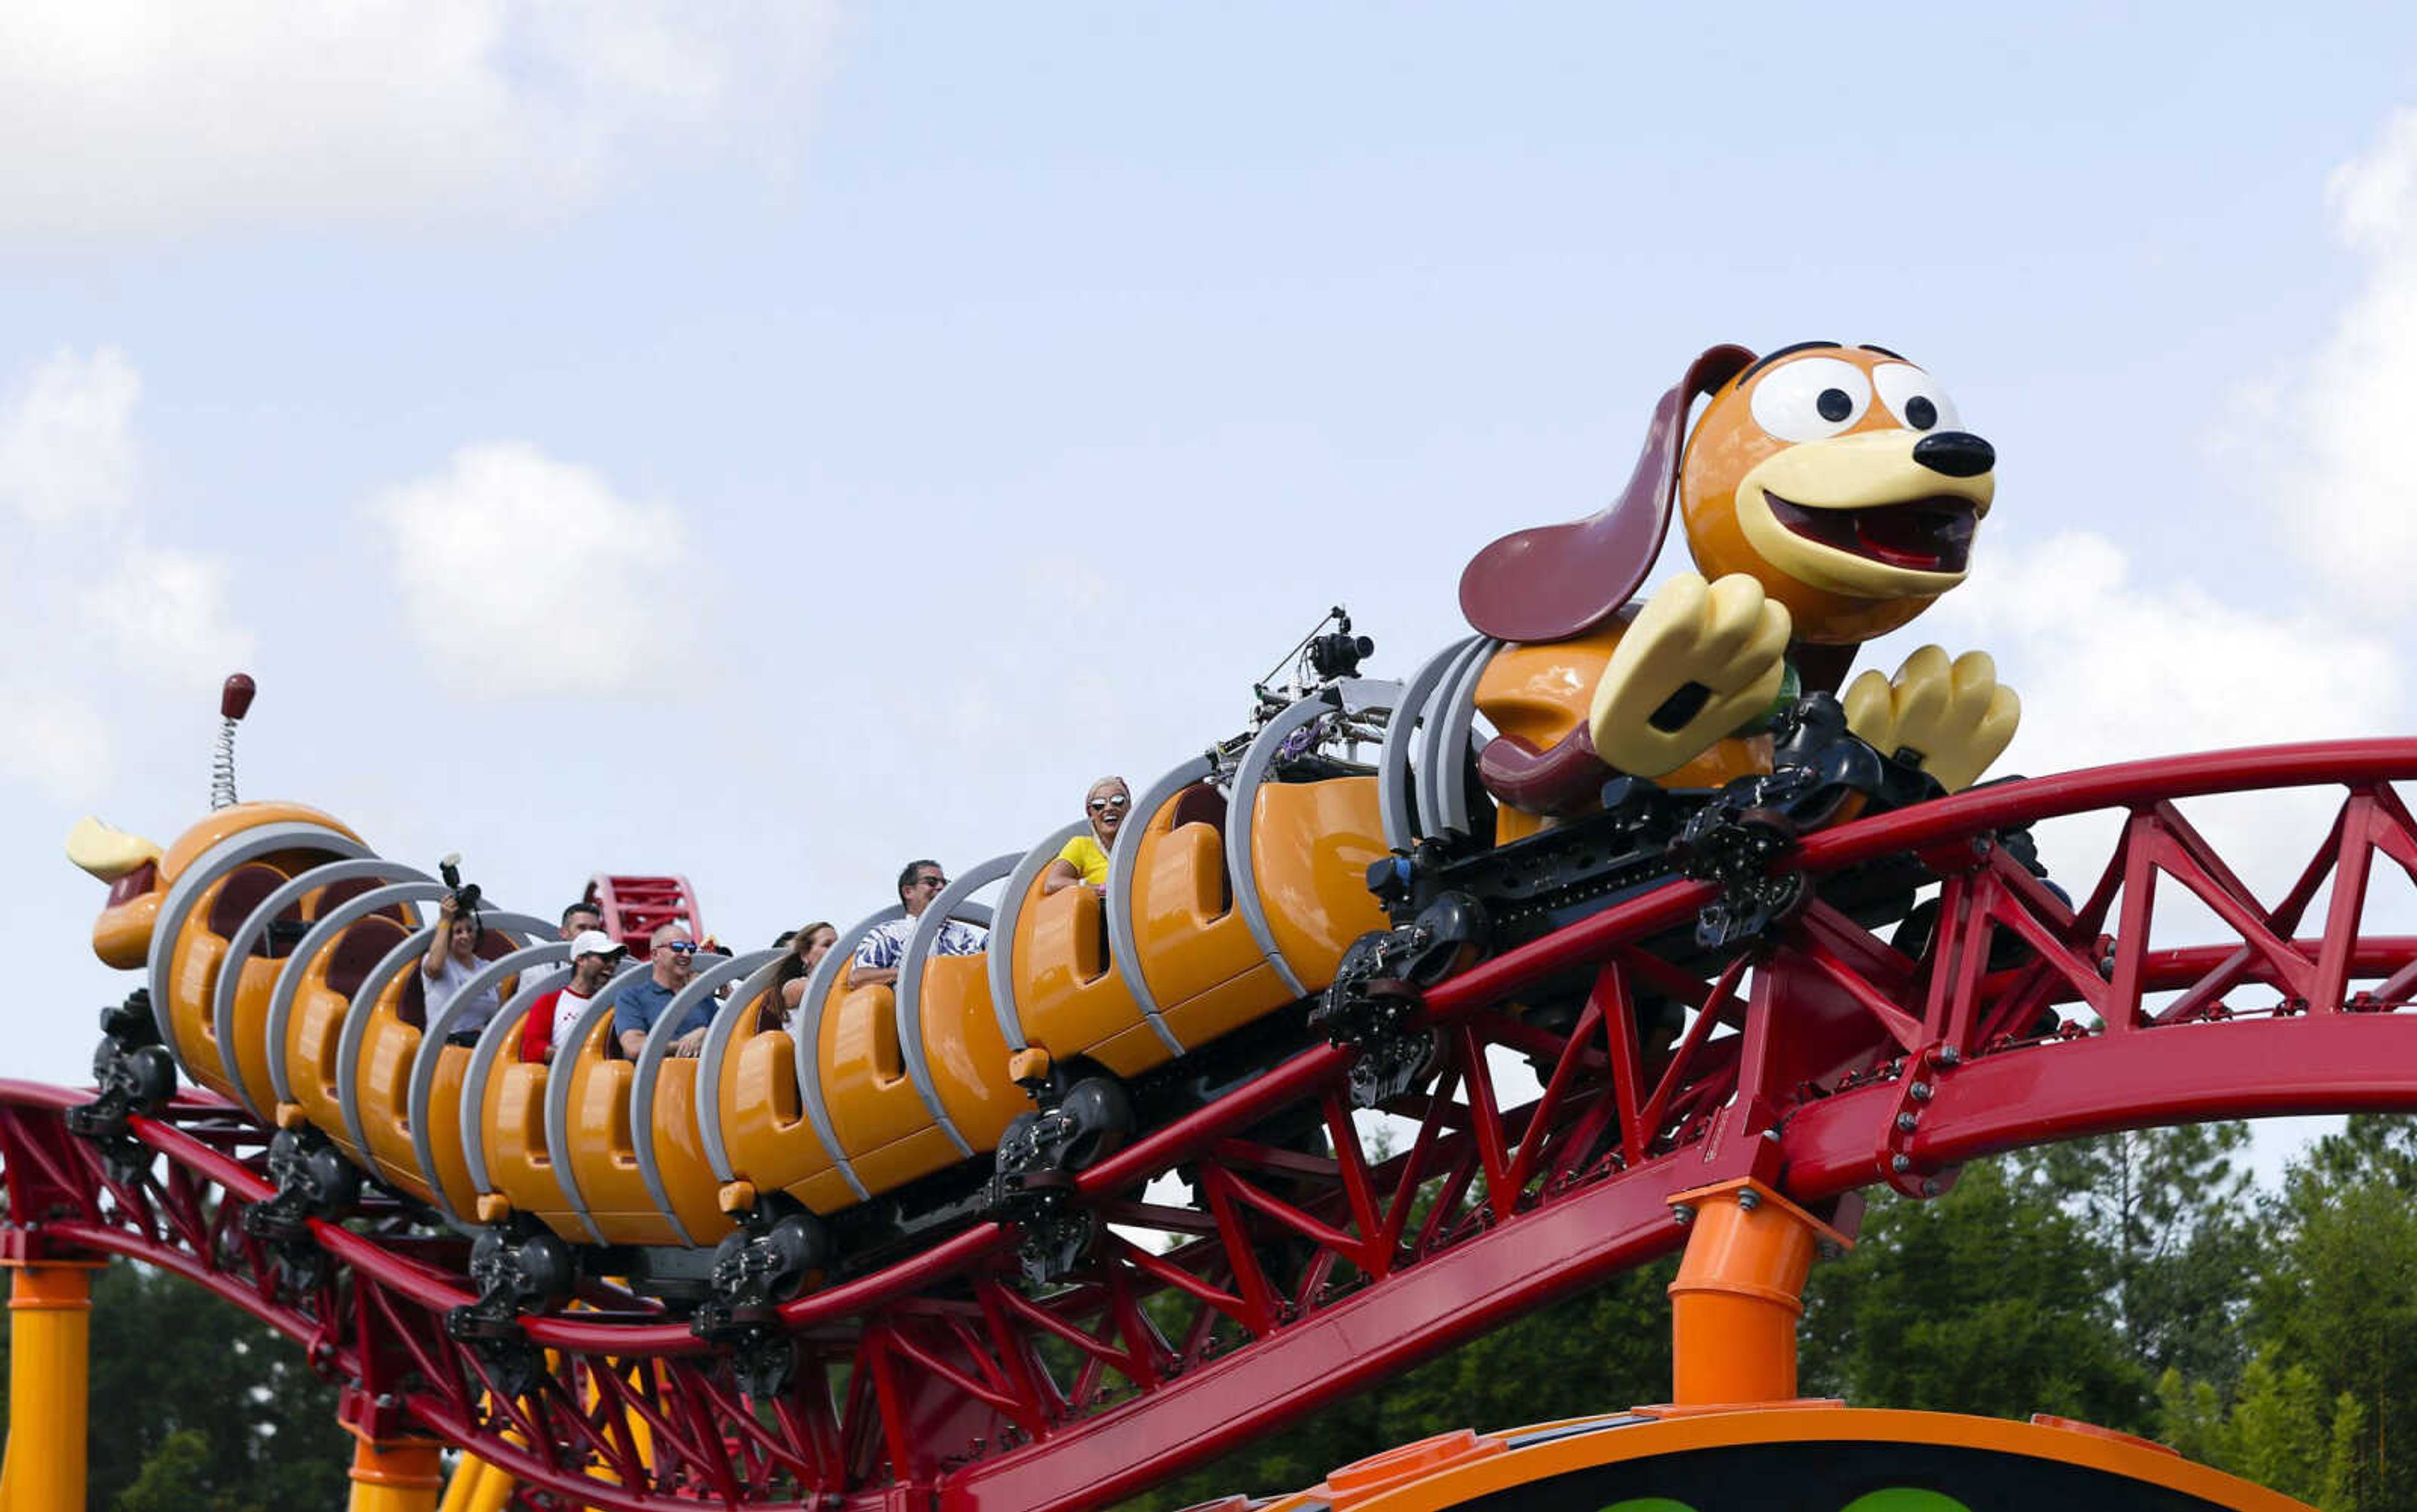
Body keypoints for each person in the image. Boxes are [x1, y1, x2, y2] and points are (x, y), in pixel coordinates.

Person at [846, 860, 985, 991]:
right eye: (931, 882)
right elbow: (857, 978)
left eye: (944, 883)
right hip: (907, 1014)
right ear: (908, 892)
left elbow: (979, 974)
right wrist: (916, 973)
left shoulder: (961, 934)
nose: (941, 887)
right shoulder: (888, 934)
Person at [518, 930, 627, 1063]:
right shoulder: (550, 1002)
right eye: (605, 958)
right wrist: (579, 1058)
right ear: (580, 960)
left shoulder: (616, 1006)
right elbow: (532, 1051)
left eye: (616, 961)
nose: (612, 965)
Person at [614, 922, 713, 1059]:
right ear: (655, 954)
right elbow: (634, 1047)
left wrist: (706, 1033)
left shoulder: (702, 997)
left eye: (691, 949)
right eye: (677, 947)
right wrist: (683, 1045)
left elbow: (729, 1032)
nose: (686, 954)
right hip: (654, 1078)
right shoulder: (632, 997)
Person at [423, 893, 502, 1046]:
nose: (465, 936)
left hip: (481, 1045)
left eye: (469, 930)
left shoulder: (487, 968)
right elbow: (433, 968)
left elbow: (499, 1014)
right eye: (458, 932)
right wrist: (445, 921)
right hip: (445, 1046)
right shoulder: (440, 961)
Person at [1042, 776, 1132, 897]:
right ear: (1091, 813)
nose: (1109, 808)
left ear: (1129, 806)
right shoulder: (1081, 845)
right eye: (1099, 804)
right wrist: (1098, 889)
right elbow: (1052, 883)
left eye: (1117, 801)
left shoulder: (1141, 844)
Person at [774, 921, 840, 1018]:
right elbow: (821, 989)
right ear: (805, 955)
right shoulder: (792, 987)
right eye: (827, 945)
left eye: (838, 944)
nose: (836, 949)